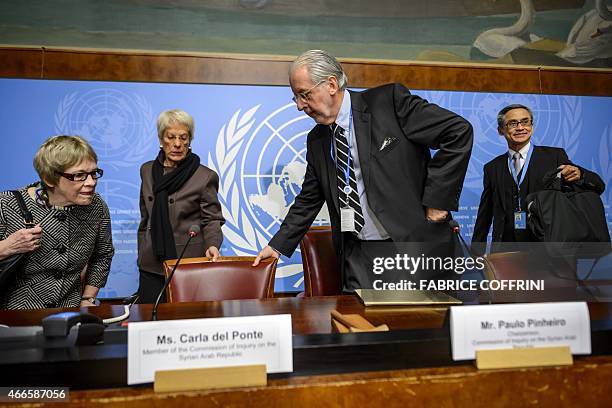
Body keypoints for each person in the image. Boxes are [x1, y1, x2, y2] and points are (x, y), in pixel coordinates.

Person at [254, 49, 473, 291]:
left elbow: (458, 132)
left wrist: (438, 202)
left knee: (424, 326)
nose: (299, 106)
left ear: (331, 84)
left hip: (413, 246)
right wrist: (276, 246)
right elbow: (309, 199)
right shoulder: (317, 139)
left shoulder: (389, 102)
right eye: (296, 97)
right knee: (361, 327)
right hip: (359, 257)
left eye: (304, 95)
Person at [471, 104, 605, 256]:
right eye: (513, 123)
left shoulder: (554, 156)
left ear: (532, 126)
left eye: (525, 121)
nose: (520, 127)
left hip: (547, 246)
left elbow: (598, 186)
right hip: (506, 248)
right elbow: (486, 212)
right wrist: (476, 253)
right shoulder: (492, 167)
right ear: (501, 130)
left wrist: (581, 174)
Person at [0, 135, 114, 309]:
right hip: (14, 316)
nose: (91, 182)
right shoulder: (7, 204)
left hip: (70, 313)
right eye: (79, 175)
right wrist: (8, 247)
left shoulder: (96, 206)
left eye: (93, 173)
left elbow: (102, 255)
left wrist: (88, 299)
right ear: (49, 178)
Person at [137, 109, 225, 303]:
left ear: (189, 140)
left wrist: (212, 245)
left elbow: (212, 219)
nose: (177, 144)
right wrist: (142, 249)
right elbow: (145, 217)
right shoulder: (147, 170)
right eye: (171, 137)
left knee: (189, 321)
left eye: (183, 138)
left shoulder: (204, 176)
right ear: (161, 139)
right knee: (150, 321)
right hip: (151, 263)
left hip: (188, 262)